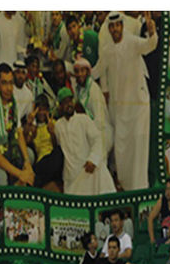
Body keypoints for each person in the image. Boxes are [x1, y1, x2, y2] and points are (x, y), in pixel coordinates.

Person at [98, 12, 158, 190]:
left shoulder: (132, 42)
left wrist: (152, 31)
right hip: (120, 107)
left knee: (139, 146)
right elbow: (97, 70)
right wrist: (74, 69)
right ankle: (125, 186)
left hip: (138, 105)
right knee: (122, 149)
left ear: (122, 27)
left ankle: (140, 187)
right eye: (112, 26)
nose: (115, 29)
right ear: (109, 29)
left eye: (118, 25)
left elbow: (150, 45)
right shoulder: (107, 50)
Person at [53, 87, 115, 196]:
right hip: (71, 176)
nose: (69, 105)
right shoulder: (58, 125)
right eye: (65, 102)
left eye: (70, 101)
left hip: (87, 169)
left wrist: (92, 159)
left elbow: (97, 139)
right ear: (60, 106)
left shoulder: (83, 119)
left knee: (101, 167)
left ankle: (111, 210)